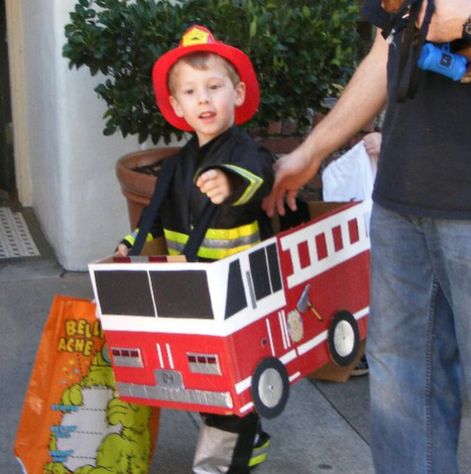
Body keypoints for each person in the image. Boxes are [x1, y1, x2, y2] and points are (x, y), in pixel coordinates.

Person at [263, 1, 471, 473]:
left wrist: (468, 25)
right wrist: (312, 151)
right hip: (402, 201)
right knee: (401, 388)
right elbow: (387, 49)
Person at [116, 25, 273, 474]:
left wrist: (232, 182)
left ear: (238, 93)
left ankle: (220, 464)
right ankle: (250, 435)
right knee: (204, 374)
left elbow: (261, 170)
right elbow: (156, 216)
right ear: (177, 106)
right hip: (192, 286)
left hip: (237, 287)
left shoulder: (243, 151)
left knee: (230, 375)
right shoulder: (178, 165)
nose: (203, 99)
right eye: (190, 91)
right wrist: (132, 244)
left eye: (214, 87)